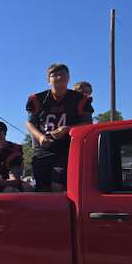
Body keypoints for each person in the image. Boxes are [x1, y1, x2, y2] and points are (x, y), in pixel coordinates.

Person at [26, 62, 90, 192]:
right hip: (44, 148)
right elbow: (30, 123)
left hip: (67, 148)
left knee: (58, 184)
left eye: (62, 74)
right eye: (54, 75)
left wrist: (67, 129)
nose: (59, 77)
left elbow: (88, 123)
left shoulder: (79, 99)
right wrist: (40, 137)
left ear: (68, 78)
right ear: (48, 80)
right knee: (42, 188)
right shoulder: (38, 99)